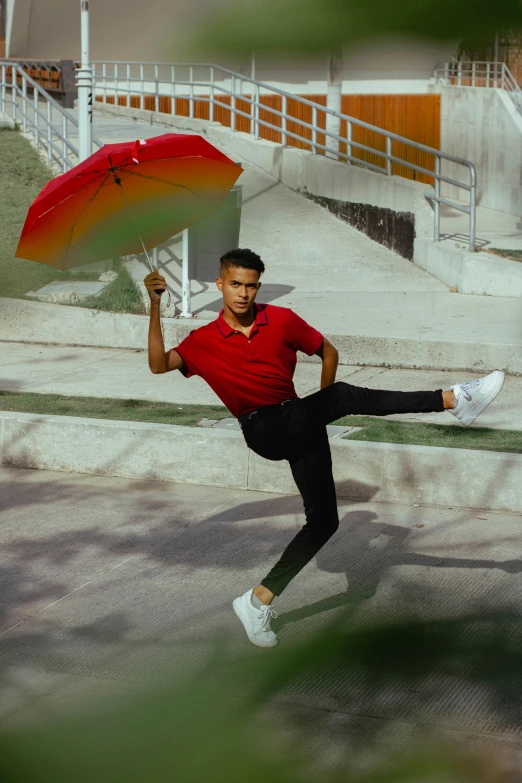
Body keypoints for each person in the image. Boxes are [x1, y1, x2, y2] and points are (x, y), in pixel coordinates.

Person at [145, 248, 505, 649]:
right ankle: (452, 400)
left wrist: (318, 407)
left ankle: (257, 600)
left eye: (250, 285)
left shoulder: (280, 320)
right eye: (235, 285)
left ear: (258, 286)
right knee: (345, 395)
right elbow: (159, 364)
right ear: (220, 284)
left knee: (324, 523)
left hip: (300, 420)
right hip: (261, 427)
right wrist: (156, 303)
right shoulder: (203, 341)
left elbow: (327, 350)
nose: (243, 293)